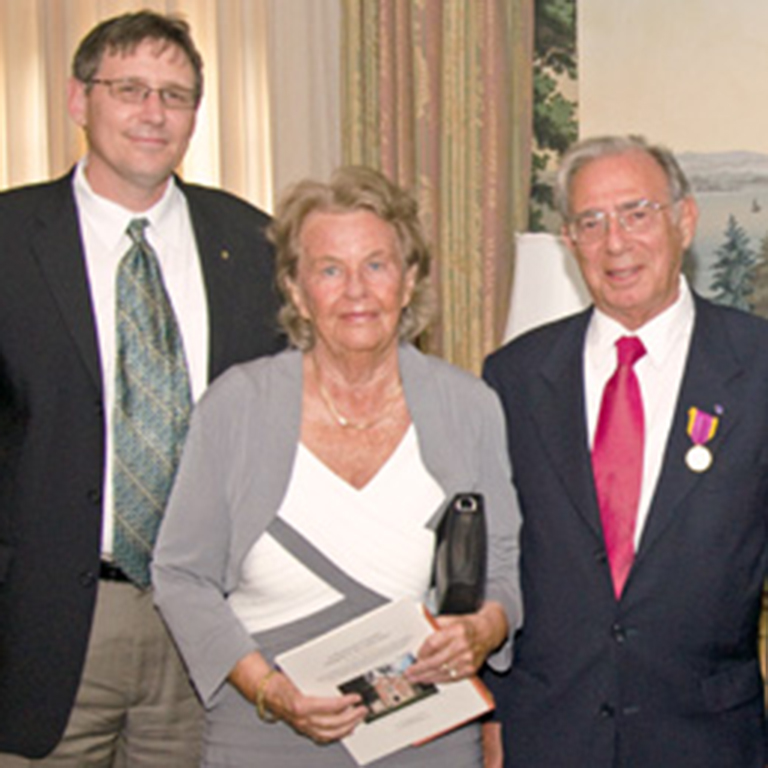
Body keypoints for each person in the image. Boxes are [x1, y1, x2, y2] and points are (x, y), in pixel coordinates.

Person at [152, 165, 522, 767]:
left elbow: (502, 566)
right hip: (265, 731)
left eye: (375, 265)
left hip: (424, 733)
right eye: (330, 269)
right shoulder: (236, 405)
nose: (356, 290)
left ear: (408, 282)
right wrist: (270, 691)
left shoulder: (470, 406)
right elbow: (181, 575)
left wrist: (481, 631)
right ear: (297, 291)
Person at [0, 10, 284, 766]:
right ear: (77, 101)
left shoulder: (256, 245)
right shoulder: (6, 239)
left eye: (176, 94)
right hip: (41, 627)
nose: (154, 113)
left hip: (207, 632)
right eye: (130, 89)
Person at [483, 133, 768, 768]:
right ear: (569, 241)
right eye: (592, 221)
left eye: (637, 213)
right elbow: (497, 557)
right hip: (549, 737)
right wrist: (493, 714)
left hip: (708, 739)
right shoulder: (515, 378)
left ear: (684, 220)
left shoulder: (758, 367)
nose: (616, 242)